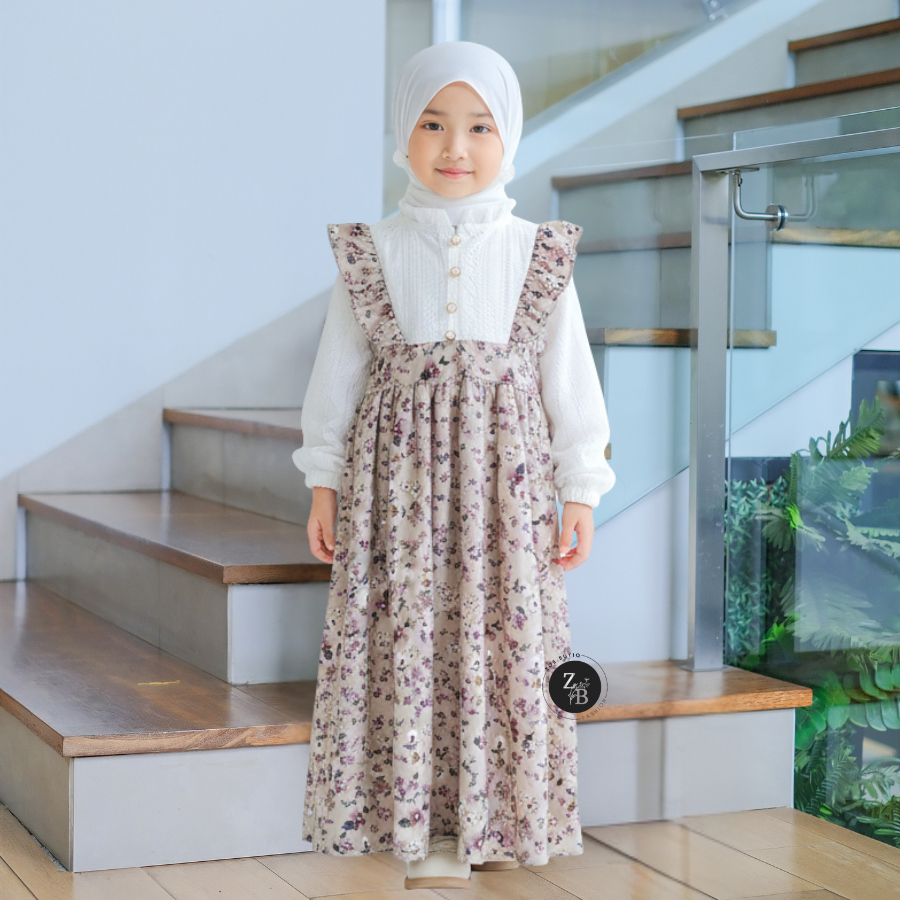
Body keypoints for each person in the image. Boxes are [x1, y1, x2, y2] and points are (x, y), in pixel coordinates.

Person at [292, 40, 615, 891]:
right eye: (433, 124)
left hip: (505, 498)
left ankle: (496, 818)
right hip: (394, 496)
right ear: (404, 133)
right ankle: (418, 827)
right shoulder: (372, 250)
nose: (455, 147)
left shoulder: (539, 252)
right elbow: (338, 376)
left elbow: (570, 382)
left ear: (510, 137)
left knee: (504, 643)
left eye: (480, 127)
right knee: (405, 643)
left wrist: (580, 489)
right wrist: (323, 480)